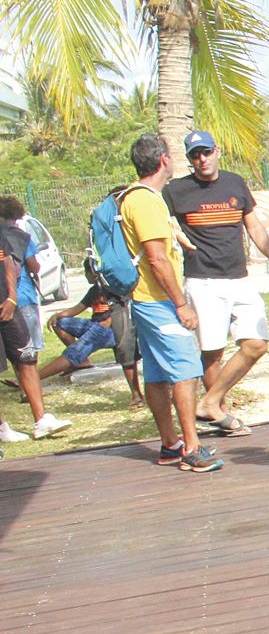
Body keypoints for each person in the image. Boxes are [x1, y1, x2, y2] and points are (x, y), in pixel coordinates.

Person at [162, 130, 269, 438]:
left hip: (240, 278)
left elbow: (253, 223)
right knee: (212, 353)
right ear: (189, 159)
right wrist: (176, 233)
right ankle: (220, 413)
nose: (201, 159)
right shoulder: (176, 190)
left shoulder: (235, 182)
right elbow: (159, 221)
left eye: (206, 152)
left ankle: (209, 403)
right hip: (203, 280)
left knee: (256, 344)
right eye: (194, 155)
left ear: (217, 151)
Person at [121, 133, 221, 471]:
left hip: (144, 301)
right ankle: (192, 448)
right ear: (164, 160)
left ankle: (169, 444)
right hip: (159, 300)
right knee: (184, 371)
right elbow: (157, 259)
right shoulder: (147, 201)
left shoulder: (136, 198)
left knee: (156, 374)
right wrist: (180, 303)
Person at [0, 196, 69, 439]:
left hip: (9, 307)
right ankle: (2, 428)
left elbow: (7, 262)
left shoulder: (6, 234)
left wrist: (11, 298)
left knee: (27, 358)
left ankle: (41, 420)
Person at [38, 279, 141, 407]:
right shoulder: (95, 290)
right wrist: (58, 315)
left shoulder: (118, 287)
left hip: (108, 329)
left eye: (88, 272)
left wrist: (102, 327)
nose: (87, 276)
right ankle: (82, 362)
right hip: (95, 324)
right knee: (61, 323)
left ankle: (33, 380)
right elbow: (78, 308)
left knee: (75, 351)